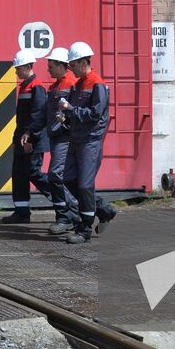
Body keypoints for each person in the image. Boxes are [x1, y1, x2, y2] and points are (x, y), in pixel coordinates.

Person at [56, 41, 118, 244]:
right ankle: (103, 209)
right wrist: (66, 117)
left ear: (83, 62)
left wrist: (71, 110)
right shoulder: (79, 84)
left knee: (84, 184)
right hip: (76, 138)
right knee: (69, 179)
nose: (70, 69)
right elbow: (76, 111)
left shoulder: (96, 84)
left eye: (72, 65)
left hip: (90, 141)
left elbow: (95, 114)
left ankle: (84, 229)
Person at [3, 48, 52, 223]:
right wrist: (16, 140)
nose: (16, 71)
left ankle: (63, 201)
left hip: (32, 140)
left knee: (33, 173)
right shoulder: (25, 86)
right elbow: (22, 118)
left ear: (28, 66)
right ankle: (22, 212)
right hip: (22, 138)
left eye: (18, 68)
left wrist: (30, 137)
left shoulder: (36, 86)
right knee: (19, 174)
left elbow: (38, 115)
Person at [43, 47, 81, 235]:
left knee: (56, 175)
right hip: (56, 136)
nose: (48, 70)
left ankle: (73, 213)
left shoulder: (71, 84)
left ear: (61, 65)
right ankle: (64, 216)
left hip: (65, 137)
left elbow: (74, 110)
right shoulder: (54, 86)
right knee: (58, 177)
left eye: (51, 66)